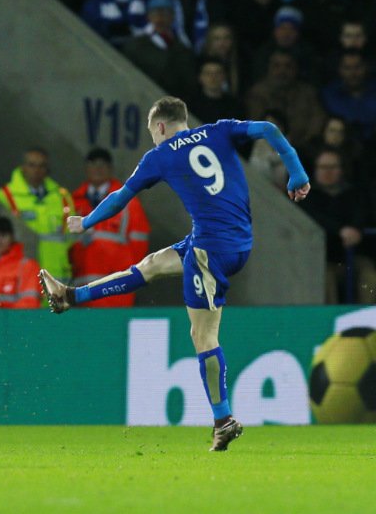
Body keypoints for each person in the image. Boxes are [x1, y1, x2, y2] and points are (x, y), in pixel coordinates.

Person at [39, 96, 310, 452]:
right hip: (237, 241)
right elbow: (268, 129)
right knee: (152, 265)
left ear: (161, 126)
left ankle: (223, 420)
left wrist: (86, 221)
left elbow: (120, 198)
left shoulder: (160, 155)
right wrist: (297, 172)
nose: (153, 138)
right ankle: (70, 296)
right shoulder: (219, 130)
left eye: (152, 131)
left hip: (209, 250)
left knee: (203, 335)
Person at [69, 148, 150, 307]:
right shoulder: (73, 202)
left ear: (110, 168)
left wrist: (131, 278)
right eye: (93, 164)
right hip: (80, 287)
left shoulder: (127, 201)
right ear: (86, 168)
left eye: (102, 164)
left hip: (115, 288)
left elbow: (140, 244)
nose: (98, 169)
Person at [297, 149, 376, 304]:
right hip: (323, 259)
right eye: (323, 167)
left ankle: (367, 315)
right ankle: (330, 317)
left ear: (341, 170)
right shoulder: (306, 196)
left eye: (333, 167)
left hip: (353, 256)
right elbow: (313, 218)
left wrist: (356, 229)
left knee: (370, 276)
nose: (328, 172)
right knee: (325, 278)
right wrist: (340, 230)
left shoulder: (354, 193)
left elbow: (363, 213)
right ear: (315, 169)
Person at [0, 147, 74, 282]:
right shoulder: (3, 197)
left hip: (57, 275)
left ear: (47, 169)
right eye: (32, 165)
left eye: (42, 166)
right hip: (20, 274)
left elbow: (72, 238)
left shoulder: (63, 198)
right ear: (23, 167)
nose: (37, 170)